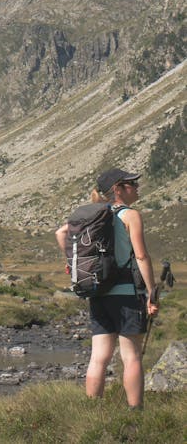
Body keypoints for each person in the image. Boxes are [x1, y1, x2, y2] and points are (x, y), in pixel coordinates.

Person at [55, 168, 159, 408]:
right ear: (117, 189)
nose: (137, 187)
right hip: (126, 294)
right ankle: (136, 412)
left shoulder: (93, 215)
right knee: (131, 356)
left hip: (98, 291)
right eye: (132, 184)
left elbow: (61, 233)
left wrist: (70, 262)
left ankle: (93, 411)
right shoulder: (130, 215)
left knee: (98, 357)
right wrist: (151, 292)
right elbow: (141, 257)